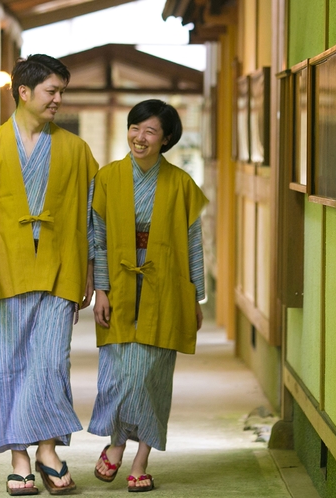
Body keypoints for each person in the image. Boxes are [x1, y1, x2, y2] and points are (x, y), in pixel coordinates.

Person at [0, 54, 98, 496]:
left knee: (50, 363)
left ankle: (47, 449)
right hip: (3, 268)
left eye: (62, 92)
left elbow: (91, 216)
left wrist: (91, 268)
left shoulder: (75, 150)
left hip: (58, 267)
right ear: (24, 92)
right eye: (52, 91)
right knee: (7, 365)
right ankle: (19, 458)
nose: (58, 100)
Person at [88, 99, 208, 492]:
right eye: (135, 128)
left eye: (150, 131)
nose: (139, 138)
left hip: (167, 286)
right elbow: (98, 238)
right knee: (118, 375)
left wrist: (195, 297)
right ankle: (117, 443)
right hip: (120, 284)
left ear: (166, 139)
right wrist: (100, 288)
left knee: (153, 376)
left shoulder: (181, 184)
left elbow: (193, 243)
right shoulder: (107, 178)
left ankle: (139, 459)